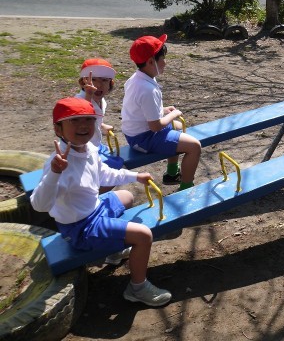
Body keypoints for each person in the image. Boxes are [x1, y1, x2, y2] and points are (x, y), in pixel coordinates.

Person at [30, 97, 172, 307]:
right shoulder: (59, 164)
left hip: (95, 208)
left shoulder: (87, 148)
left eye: (89, 119)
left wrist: (135, 176)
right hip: (81, 227)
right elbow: (39, 205)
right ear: (58, 129)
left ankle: (114, 254)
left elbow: (104, 173)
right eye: (74, 120)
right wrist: (54, 173)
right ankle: (137, 288)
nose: (84, 125)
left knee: (127, 196)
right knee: (144, 235)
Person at [120, 34, 201, 190]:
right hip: (143, 139)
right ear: (151, 61)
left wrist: (162, 110)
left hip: (136, 133)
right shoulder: (147, 89)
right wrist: (173, 114)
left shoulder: (137, 79)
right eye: (162, 58)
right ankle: (186, 187)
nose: (165, 62)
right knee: (194, 146)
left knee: (178, 127)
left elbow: (139, 109)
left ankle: (172, 173)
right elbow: (156, 126)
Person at [75, 58, 124, 174]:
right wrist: (88, 95)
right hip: (82, 151)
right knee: (116, 169)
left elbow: (94, 119)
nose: (98, 85)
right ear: (83, 83)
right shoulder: (78, 102)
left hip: (96, 145)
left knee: (118, 161)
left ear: (110, 84)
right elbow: (83, 119)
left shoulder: (102, 101)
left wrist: (101, 125)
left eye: (104, 80)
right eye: (93, 80)